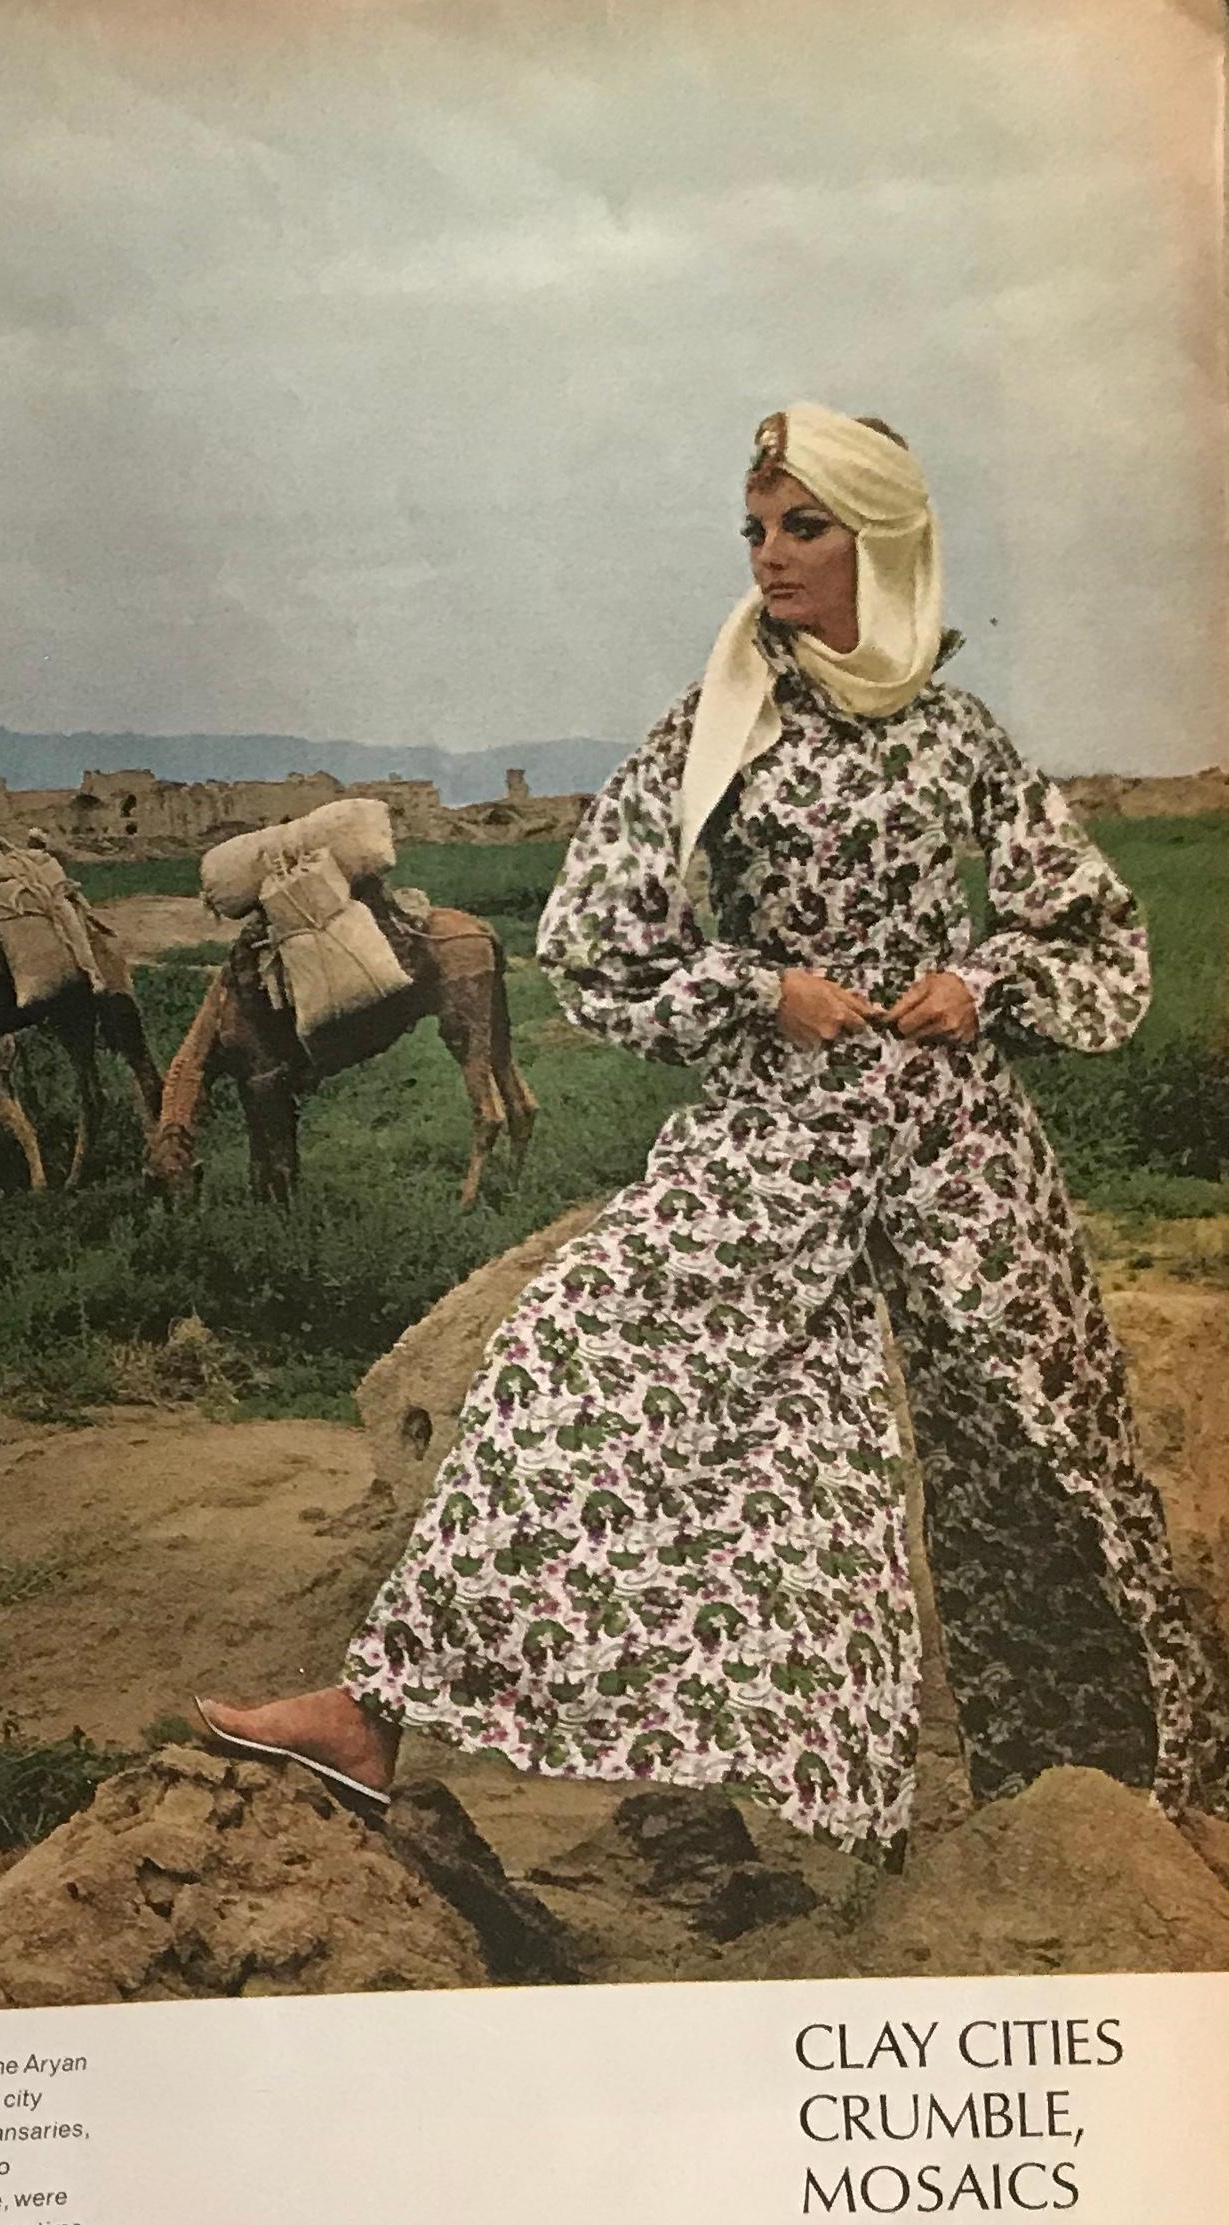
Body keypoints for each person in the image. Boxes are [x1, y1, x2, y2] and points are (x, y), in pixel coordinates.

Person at [199, 404, 1224, 1855]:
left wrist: (980, 980)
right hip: (778, 1141)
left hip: (961, 1154)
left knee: (1044, 1457)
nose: (768, 557)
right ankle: (374, 1709)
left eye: (802, 526)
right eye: (753, 528)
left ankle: (1128, 1800)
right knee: (578, 1353)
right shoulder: (714, 727)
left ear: (883, 542)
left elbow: (1092, 930)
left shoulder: (959, 734)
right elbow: (592, 938)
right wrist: (762, 987)